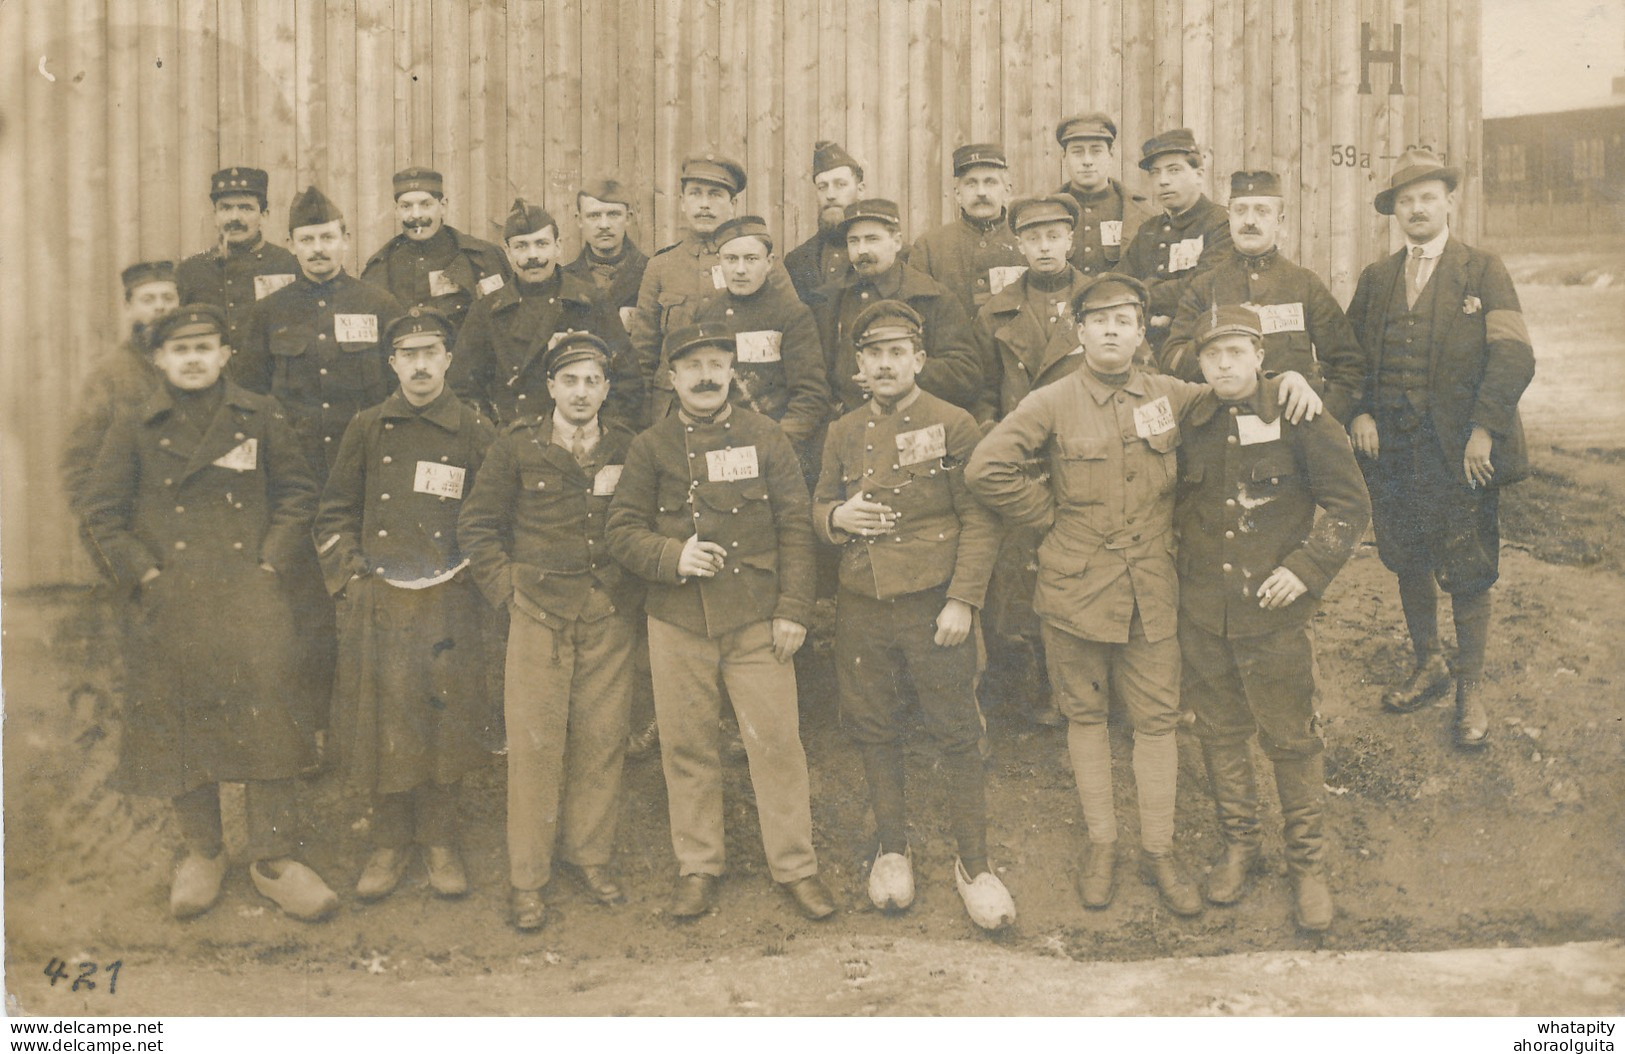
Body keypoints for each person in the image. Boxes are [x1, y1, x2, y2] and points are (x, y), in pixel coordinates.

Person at [966, 275, 1323, 917]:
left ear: (1140, 333)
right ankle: (1102, 844)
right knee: (1085, 717)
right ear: (1078, 333)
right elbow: (985, 467)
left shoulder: (1174, 395)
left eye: (1124, 319)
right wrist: (1048, 515)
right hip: (1073, 590)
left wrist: (1291, 380)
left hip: (1153, 592)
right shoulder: (1051, 402)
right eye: (1097, 319)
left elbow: (1241, 388)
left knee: (1158, 721)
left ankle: (1158, 850)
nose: (1110, 330)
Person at [81, 304, 337, 922]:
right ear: (161, 360)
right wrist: (145, 574)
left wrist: (272, 563)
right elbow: (102, 515)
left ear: (226, 354)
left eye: (205, 346)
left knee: (269, 721)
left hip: (252, 598)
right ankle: (204, 851)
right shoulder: (135, 424)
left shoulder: (260, 414)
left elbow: (297, 494)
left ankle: (274, 859)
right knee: (179, 725)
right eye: (181, 349)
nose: (194, 358)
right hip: (175, 603)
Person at [605, 322, 835, 922]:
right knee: (686, 747)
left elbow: (794, 527)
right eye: (692, 366)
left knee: (778, 745)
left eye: (716, 363)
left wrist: (793, 611)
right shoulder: (650, 447)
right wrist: (671, 557)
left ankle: (796, 867)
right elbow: (621, 530)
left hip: (757, 619)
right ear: (672, 378)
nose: (705, 376)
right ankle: (699, 865)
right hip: (677, 619)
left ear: (733, 372)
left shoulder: (767, 438)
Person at [813, 299, 1013, 930]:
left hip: (935, 603)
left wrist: (963, 600)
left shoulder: (952, 423)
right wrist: (835, 520)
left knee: (956, 731)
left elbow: (981, 517)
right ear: (859, 366)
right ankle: (892, 850)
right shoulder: (842, 430)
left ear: (919, 360)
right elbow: (819, 501)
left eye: (897, 353)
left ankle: (973, 864)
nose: (885, 364)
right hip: (863, 604)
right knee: (874, 728)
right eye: (873, 354)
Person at [1175, 304, 1370, 932]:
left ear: (1261, 356)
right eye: (1212, 355)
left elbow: (1348, 506)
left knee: (1290, 735)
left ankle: (1307, 864)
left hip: (1273, 615)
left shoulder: (1301, 414)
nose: (1224, 364)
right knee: (1220, 731)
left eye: (1237, 352)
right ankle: (1241, 846)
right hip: (1204, 612)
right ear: (1199, 363)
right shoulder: (1191, 419)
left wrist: (1306, 570)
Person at [1345, 148, 1535, 749]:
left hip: (1460, 454)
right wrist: (1360, 411)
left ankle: (1469, 690)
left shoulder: (1482, 270)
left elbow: (1513, 355)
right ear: (1394, 212)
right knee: (1407, 555)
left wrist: (1484, 429)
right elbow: (1349, 361)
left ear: (1449, 201)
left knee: (1469, 565)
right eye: (1406, 200)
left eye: (1428, 196)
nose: (1417, 209)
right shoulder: (1377, 279)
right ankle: (1428, 663)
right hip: (1394, 453)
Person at [459, 331, 641, 931]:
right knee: (536, 748)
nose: (582, 393)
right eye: (570, 380)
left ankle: (588, 857)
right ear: (550, 388)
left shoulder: (628, 446)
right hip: (537, 613)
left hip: (605, 614)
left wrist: (616, 591)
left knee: (601, 739)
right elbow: (479, 526)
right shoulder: (517, 446)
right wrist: (508, 591)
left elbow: (642, 522)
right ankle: (528, 878)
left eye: (593, 381)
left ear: (607, 389)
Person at [314, 307, 496, 903]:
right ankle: (389, 841)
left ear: (448, 359)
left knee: (444, 718)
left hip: (450, 601)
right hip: (382, 600)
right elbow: (334, 511)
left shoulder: (473, 429)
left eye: (431, 352)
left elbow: (494, 514)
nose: (420, 365)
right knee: (385, 722)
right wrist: (351, 578)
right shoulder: (367, 427)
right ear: (391, 363)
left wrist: (473, 576)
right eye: (408, 354)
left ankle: (440, 841)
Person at [971, 194, 1095, 727]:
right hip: (1023, 463)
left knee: (1085, 569)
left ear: (1070, 240)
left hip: (1085, 455)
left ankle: (1080, 691)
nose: (1044, 247)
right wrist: (991, 433)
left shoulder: (1102, 301)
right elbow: (977, 389)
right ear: (1018, 244)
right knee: (1020, 575)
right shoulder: (994, 310)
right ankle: (1027, 689)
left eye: (1054, 236)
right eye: (1033, 238)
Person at [1161, 170, 1365, 424]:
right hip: (1223, 428)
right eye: (1241, 210)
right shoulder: (1204, 287)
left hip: (1292, 431)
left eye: (1262, 211)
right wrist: (1223, 331)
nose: (1250, 221)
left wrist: (1319, 418)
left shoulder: (1304, 284)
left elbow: (1348, 365)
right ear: (1229, 217)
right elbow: (1172, 359)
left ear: (1279, 220)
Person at [448, 197, 642, 429]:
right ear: (508, 253)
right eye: (521, 246)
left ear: (558, 246)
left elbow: (626, 380)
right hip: (513, 438)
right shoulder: (488, 310)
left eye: (541, 244)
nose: (532, 256)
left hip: (580, 435)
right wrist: (494, 435)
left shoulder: (590, 301)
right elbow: (463, 387)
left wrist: (600, 435)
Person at [626, 154, 795, 419]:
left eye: (715, 194)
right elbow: (642, 356)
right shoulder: (661, 266)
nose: (704, 204)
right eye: (695, 194)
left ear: (734, 203)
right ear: (682, 202)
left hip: (745, 408)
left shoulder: (760, 263)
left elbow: (791, 333)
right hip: (673, 410)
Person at [808, 199, 983, 417]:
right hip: (848, 426)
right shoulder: (829, 300)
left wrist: (904, 372)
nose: (862, 250)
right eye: (853, 241)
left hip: (915, 423)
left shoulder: (932, 297)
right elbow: (814, 377)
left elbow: (966, 376)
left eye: (872, 239)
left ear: (897, 242)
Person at [63, 261, 179, 528]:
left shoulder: (199, 367)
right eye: (148, 299)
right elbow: (79, 464)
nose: (160, 306)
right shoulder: (109, 374)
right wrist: (104, 531)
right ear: (129, 308)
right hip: (135, 524)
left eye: (168, 298)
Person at [360, 167, 510, 342]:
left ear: (443, 206)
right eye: (406, 206)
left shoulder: (483, 257)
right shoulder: (379, 268)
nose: (416, 215)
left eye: (426, 204)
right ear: (396, 211)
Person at [1118, 128, 1232, 353]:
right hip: (1146, 352)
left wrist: (1145, 290)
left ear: (1199, 174)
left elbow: (1205, 289)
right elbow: (1119, 285)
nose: (1163, 181)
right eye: (1155, 172)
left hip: (1199, 349)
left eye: (1174, 170)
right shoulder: (1148, 231)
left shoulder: (1221, 224)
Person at [175, 166, 298, 352]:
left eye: (245, 208)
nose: (235, 217)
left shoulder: (289, 264)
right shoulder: (191, 270)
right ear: (215, 216)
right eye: (225, 208)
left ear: (264, 215)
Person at [908, 143, 1026, 318]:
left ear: (1007, 190)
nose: (981, 192)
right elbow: (918, 313)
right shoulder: (928, 247)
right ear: (957, 194)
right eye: (971, 184)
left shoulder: (1025, 240)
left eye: (990, 182)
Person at [1052, 113, 1154, 278]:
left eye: (1096, 151)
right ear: (1064, 156)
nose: (1087, 161)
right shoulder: (1048, 210)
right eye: (1077, 152)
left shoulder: (1142, 214)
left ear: (1111, 154)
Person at [784, 140, 866, 303]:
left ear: (861, 190)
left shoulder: (891, 254)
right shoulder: (797, 260)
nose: (830, 195)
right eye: (822, 187)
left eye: (840, 184)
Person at [562, 177, 649, 326]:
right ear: (580, 220)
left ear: (628, 218)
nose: (604, 225)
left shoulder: (651, 272)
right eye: (594, 215)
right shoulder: (563, 280)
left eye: (613, 214)